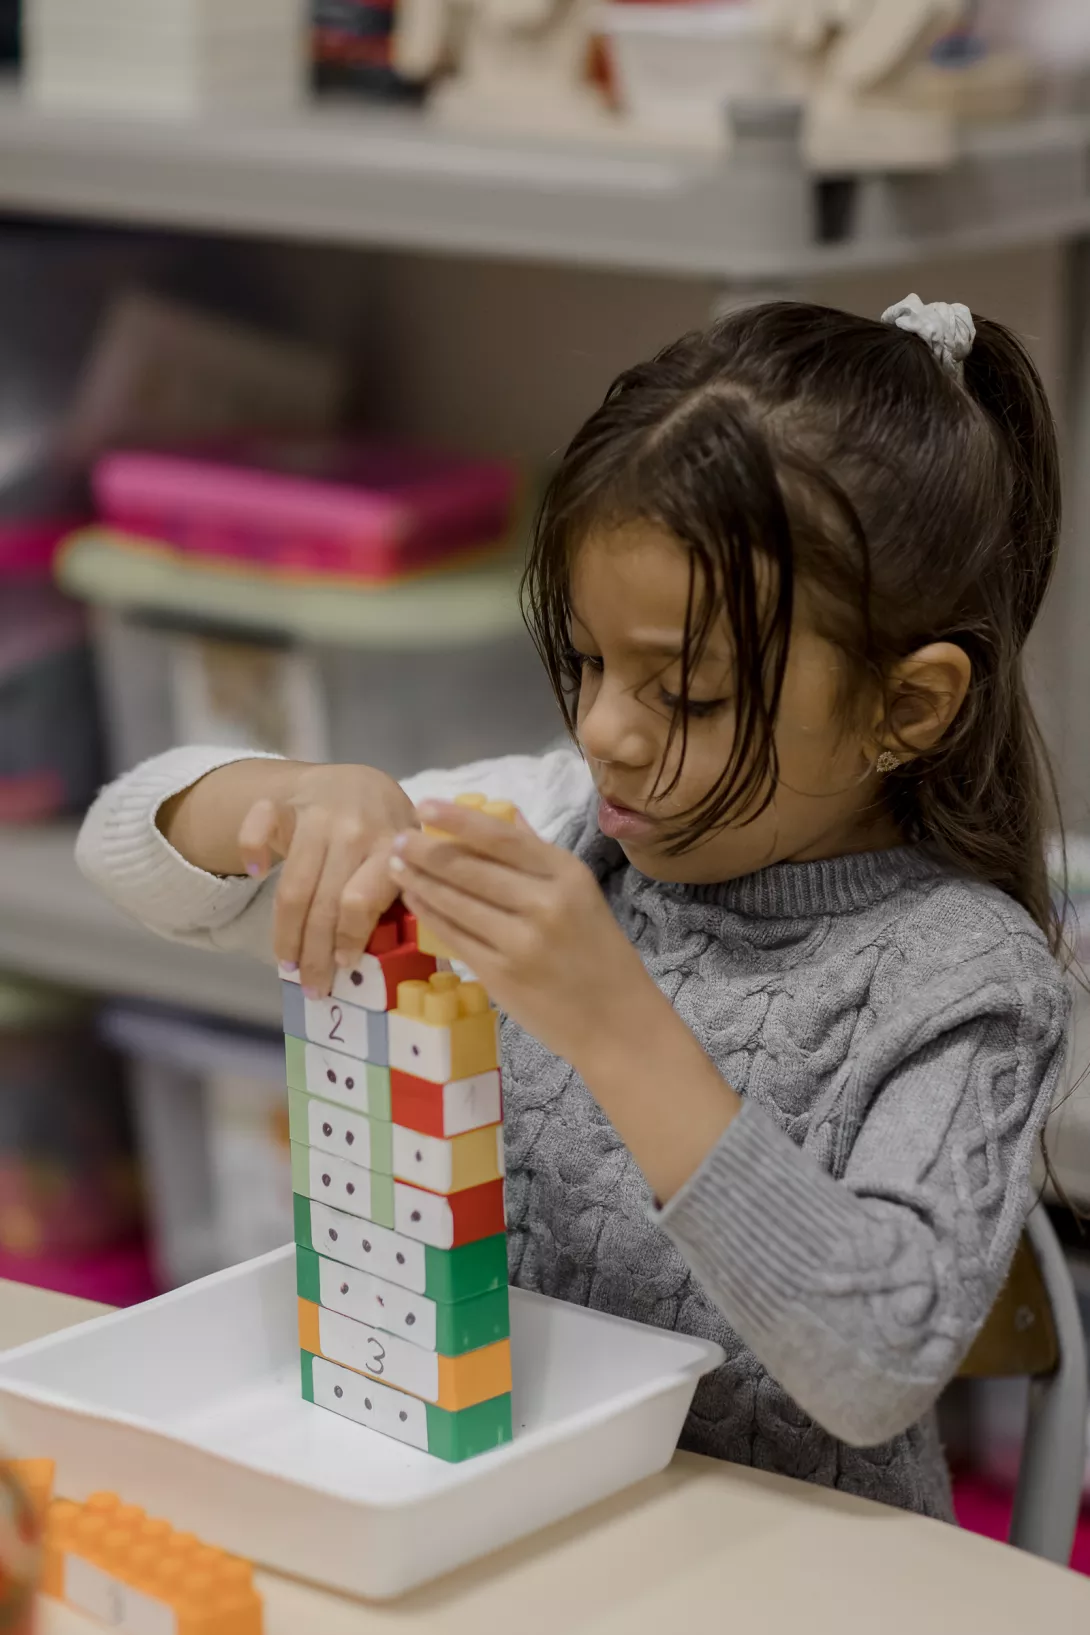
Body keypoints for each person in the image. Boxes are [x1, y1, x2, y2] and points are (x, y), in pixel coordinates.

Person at [77, 295, 1071, 1520]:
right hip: (506, 1518)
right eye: (589, 663)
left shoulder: (962, 975)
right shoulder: (550, 824)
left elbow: (876, 1365)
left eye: (689, 697)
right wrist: (289, 800)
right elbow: (125, 849)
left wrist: (614, 1021)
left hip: (776, 1564)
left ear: (904, 709)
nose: (601, 732)